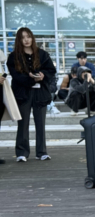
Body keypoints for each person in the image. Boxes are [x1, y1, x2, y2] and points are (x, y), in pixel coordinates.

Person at [7, 27, 56, 162]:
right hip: (23, 93)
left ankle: (42, 152)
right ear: (19, 40)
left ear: (32, 38)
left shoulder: (43, 54)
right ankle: (22, 152)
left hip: (40, 93)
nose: (26, 40)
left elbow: (51, 70)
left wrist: (42, 75)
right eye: (23, 37)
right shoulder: (13, 57)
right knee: (23, 123)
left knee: (40, 123)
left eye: (28, 36)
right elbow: (15, 75)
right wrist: (30, 78)